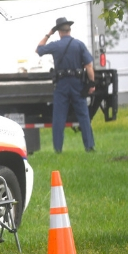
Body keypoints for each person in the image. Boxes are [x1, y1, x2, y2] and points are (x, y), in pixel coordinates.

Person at [35, 16, 96, 153]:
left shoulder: (56, 45)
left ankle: (58, 149)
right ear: (69, 29)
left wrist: (48, 34)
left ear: (59, 31)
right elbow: (89, 66)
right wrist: (92, 83)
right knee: (83, 116)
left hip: (61, 85)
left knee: (59, 118)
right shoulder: (79, 45)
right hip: (77, 84)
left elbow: (38, 49)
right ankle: (89, 146)